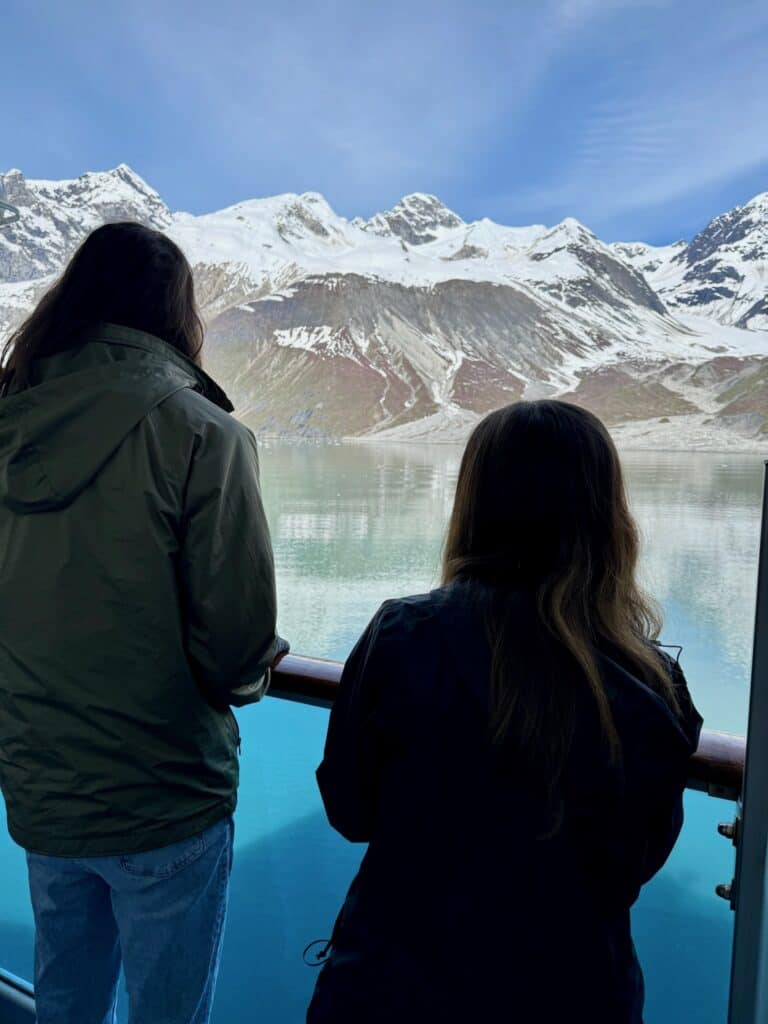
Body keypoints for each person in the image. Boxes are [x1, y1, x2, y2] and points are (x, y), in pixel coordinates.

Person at [307, 400, 702, 1024]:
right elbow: (637, 858)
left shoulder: (406, 635)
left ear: (476, 505)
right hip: (578, 993)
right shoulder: (654, 681)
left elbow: (350, 810)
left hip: (396, 991)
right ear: (606, 516)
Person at [0, 222, 287, 1024]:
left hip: (44, 789)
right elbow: (235, 646)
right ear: (176, 315)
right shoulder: (205, 433)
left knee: (65, 1004)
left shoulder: (8, 426)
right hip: (164, 797)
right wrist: (257, 669)